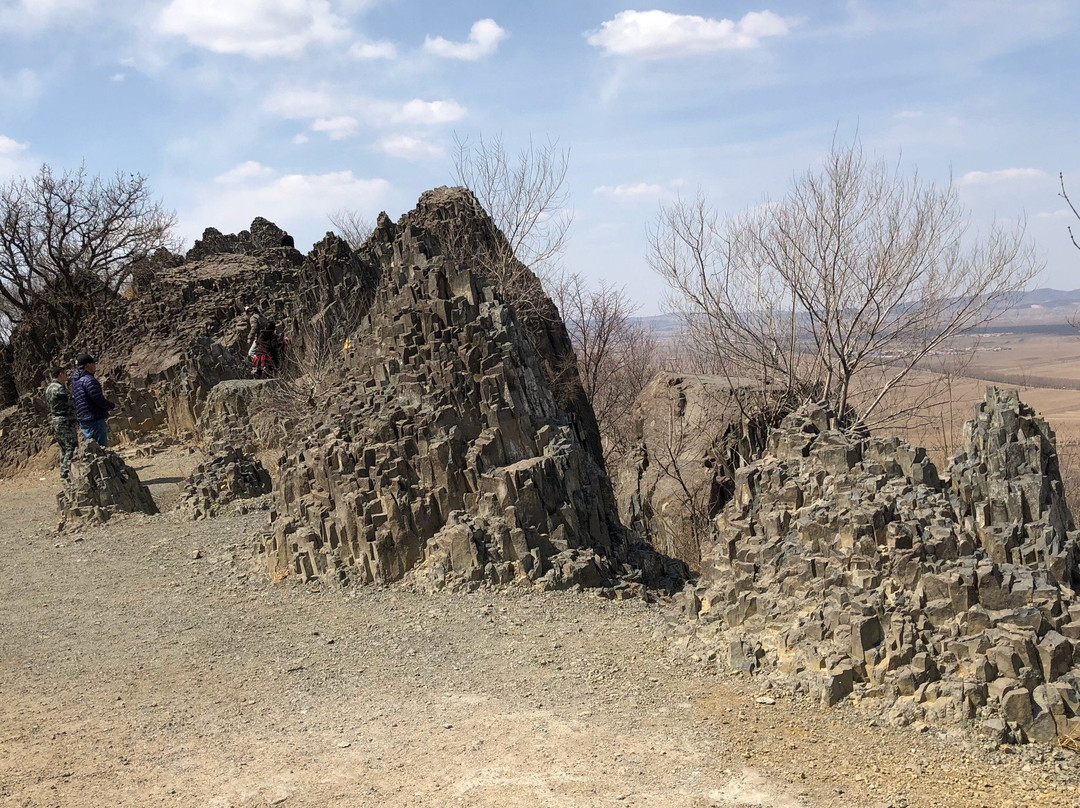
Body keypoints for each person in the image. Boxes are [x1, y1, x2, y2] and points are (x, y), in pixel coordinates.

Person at [72, 354, 116, 447]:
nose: (95, 365)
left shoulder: (76, 381)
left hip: (83, 419)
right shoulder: (89, 380)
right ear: (87, 365)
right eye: (93, 363)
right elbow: (98, 399)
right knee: (101, 447)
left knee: (91, 447)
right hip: (94, 418)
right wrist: (112, 405)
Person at [44, 367, 78, 479]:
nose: (66, 376)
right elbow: (71, 403)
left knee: (64, 449)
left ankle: (63, 471)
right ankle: (66, 472)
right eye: (65, 374)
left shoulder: (49, 388)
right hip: (65, 421)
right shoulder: (59, 388)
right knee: (71, 448)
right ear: (60, 374)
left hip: (56, 421)